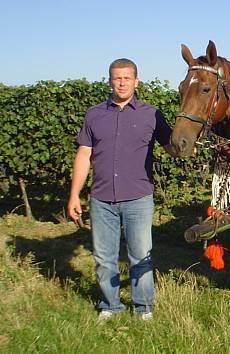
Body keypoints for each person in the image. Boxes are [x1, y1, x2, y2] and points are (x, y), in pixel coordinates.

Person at [67, 58, 174, 321]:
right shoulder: (94, 114)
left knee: (141, 256)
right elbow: (83, 154)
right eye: (117, 78)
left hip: (138, 197)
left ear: (136, 81)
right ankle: (110, 305)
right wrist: (74, 195)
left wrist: (191, 141)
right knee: (104, 258)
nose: (122, 82)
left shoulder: (152, 114)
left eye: (127, 78)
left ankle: (143, 307)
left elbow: (173, 147)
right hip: (101, 199)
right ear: (110, 81)